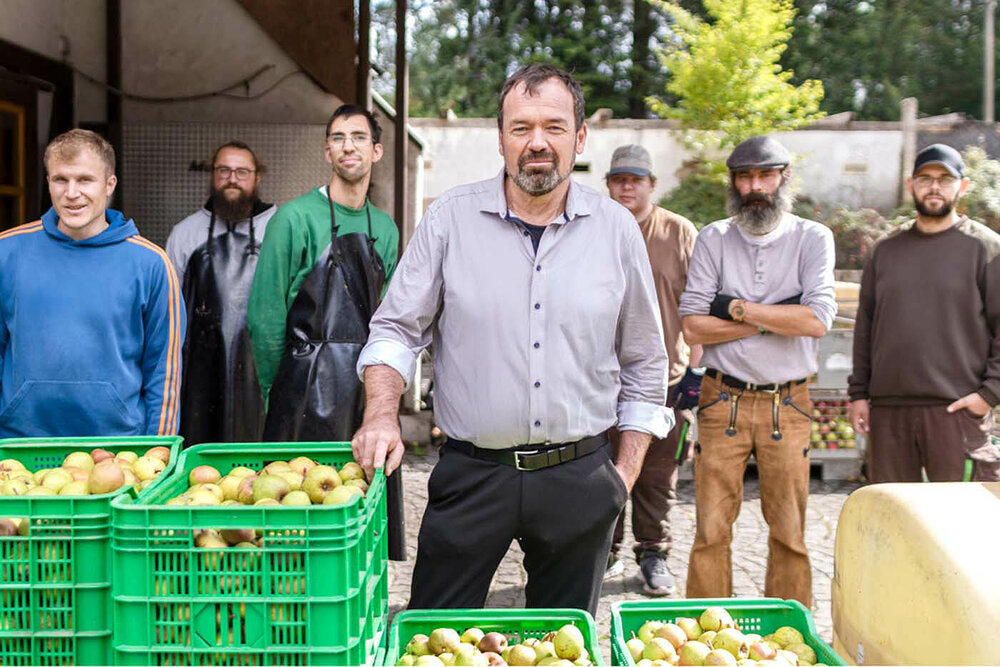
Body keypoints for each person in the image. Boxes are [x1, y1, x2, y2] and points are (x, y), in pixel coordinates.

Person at [351, 64, 672, 615]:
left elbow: (645, 362)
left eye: (554, 126)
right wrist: (380, 414)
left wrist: (623, 477)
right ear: (500, 138)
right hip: (473, 474)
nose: (538, 143)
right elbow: (396, 329)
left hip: (581, 475)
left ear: (580, 137)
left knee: (561, 646)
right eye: (520, 128)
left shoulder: (616, 229)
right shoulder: (450, 219)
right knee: (434, 637)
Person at [678, 135, 836, 607]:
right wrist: (774, 316)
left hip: (787, 404)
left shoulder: (812, 237)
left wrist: (736, 309)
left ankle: (790, 636)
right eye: (745, 177)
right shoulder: (714, 237)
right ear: (733, 182)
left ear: (784, 177)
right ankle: (704, 639)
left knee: (789, 531)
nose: (755, 186)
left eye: (765, 175)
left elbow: (815, 321)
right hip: (720, 399)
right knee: (709, 530)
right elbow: (692, 327)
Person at [0, 129, 184, 437]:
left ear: (109, 184)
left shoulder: (151, 264)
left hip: (118, 450)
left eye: (85, 180)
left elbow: (163, 370)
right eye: (61, 179)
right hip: (18, 447)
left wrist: (159, 450)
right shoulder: (7, 252)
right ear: (48, 182)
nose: (72, 193)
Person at [848, 144, 1000, 483]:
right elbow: (866, 326)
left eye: (945, 179)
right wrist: (859, 394)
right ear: (910, 184)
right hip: (888, 412)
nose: (934, 187)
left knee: (958, 522)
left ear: (963, 186)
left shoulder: (986, 249)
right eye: (925, 178)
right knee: (894, 520)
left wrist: (989, 395)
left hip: (956, 410)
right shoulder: (885, 250)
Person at [247, 105, 399, 441]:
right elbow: (265, 317)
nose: (348, 146)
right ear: (327, 152)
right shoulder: (292, 219)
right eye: (338, 138)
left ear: (376, 151)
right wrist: (280, 392)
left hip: (362, 396)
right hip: (298, 394)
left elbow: (387, 323)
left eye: (359, 137)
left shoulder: (386, 229)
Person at [603, 144, 702, 596]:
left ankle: (653, 554)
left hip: (666, 381)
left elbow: (696, 307)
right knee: (602, 470)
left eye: (635, 179)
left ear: (651, 184)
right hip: (603, 379)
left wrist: (695, 376)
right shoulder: (594, 228)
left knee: (658, 475)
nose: (626, 186)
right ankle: (604, 551)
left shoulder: (678, 232)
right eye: (619, 178)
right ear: (608, 183)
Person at [166, 141, 277, 445]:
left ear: (257, 178)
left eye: (242, 171)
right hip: (200, 373)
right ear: (212, 175)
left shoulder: (280, 229)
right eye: (224, 170)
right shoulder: (185, 234)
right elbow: (171, 310)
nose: (232, 178)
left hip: (263, 370)